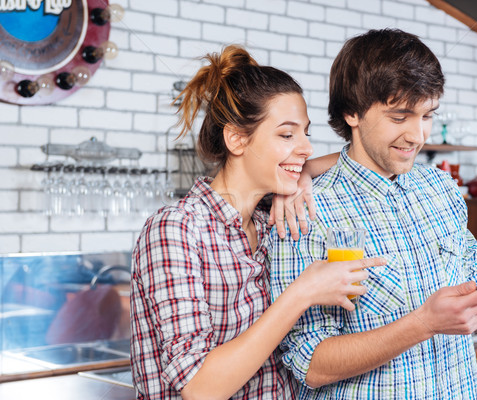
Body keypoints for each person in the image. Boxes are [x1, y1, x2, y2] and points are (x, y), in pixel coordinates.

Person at [268, 29, 477, 399]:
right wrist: (423, 323)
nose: (418, 135)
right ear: (352, 112)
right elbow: (310, 365)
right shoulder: (305, 208)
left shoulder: (442, 189)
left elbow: (474, 312)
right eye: (400, 117)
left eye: (427, 115)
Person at [129, 45, 386, 400]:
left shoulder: (272, 223)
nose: (306, 147)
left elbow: (355, 160)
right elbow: (200, 388)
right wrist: (303, 293)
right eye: (287, 134)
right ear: (236, 138)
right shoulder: (176, 229)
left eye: (306, 133)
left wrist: (303, 171)